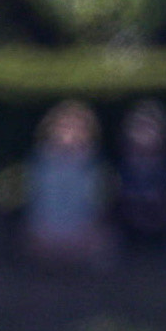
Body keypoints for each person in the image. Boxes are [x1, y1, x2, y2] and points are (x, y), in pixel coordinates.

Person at [23, 99, 112, 271]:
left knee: (104, 244)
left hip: (80, 230)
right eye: (64, 127)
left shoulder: (93, 164)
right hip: (47, 228)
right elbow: (38, 202)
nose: (70, 133)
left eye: (77, 128)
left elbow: (96, 204)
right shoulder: (41, 161)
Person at [113, 99, 166, 249]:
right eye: (139, 129)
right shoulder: (120, 167)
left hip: (162, 224)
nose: (145, 135)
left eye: (150, 129)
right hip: (129, 224)